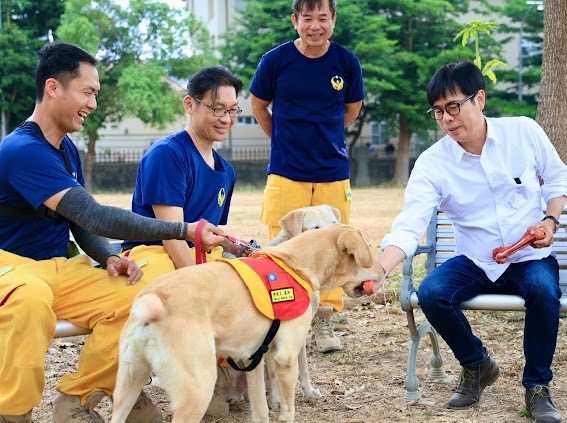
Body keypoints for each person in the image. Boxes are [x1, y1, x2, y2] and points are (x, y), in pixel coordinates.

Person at [0, 43, 228, 423]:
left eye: (95, 94)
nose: (92, 103)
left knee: (143, 297)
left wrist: (108, 257)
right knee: (32, 298)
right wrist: (186, 230)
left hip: (56, 267)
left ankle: (77, 400)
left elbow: (79, 223)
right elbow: (96, 215)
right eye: (87, 92)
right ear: (54, 88)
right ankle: (12, 412)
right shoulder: (22, 149)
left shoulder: (67, 150)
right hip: (11, 268)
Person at [379, 61, 567, 423]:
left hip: (528, 255)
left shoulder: (523, 132)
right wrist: (382, 269)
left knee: (544, 293)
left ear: (479, 99)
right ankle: (477, 364)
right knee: (432, 293)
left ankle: (538, 387)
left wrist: (549, 219)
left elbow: (558, 180)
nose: (446, 119)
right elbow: (410, 223)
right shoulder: (433, 163)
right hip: (476, 260)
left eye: (453, 107)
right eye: (437, 111)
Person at [249, 0, 364, 353]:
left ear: (333, 20)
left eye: (323, 18)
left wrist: (324, 138)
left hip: (332, 172)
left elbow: (351, 110)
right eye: (308, 18)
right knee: (283, 246)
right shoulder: (275, 61)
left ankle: (325, 324)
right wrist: (282, 139)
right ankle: (281, 320)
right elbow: (258, 104)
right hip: (286, 172)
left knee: (335, 248)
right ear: (295, 20)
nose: (315, 26)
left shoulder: (346, 62)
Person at [122, 65, 244, 280]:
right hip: (155, 259)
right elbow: (172, 236)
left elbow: (206, 234)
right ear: (190, 104)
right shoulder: (168, 154)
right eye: (217, 109)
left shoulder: (227, 172)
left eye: (232, 110)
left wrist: (234, 247)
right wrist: (198, 284)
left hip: (198, 259)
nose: (226, 118)